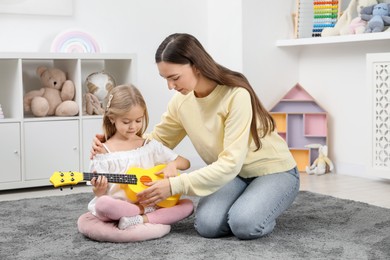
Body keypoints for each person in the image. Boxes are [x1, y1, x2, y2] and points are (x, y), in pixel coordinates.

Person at [92, 33, 300, 240]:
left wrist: (176, 185)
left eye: (174, 78)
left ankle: (258, 208)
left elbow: (230, 163)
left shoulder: (236, 96)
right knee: (207, 226)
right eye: (166, 79)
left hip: (273, 171)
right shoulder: (181, 103)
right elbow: (156, 141)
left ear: (197, 66)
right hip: (234, 176)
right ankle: (248, 201)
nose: (170, 86)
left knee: (243, 224)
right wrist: (115, 142)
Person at [88, 84, 193, 230]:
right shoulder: (103, 152)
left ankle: (140, 218)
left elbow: (185, 162)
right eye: (126, 122)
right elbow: (99, 193)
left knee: (188, 205)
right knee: (102, 204)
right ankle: (141, 214)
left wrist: (172, 165)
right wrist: (99, 189)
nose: (133, 127)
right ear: (112, 118)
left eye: (138, 120)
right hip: (120, 205)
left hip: (152, 203)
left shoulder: (149, 146)